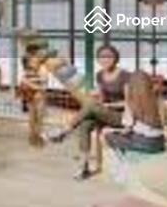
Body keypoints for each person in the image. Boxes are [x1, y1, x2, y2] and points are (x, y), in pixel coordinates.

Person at [45, 44, 130, 180]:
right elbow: (101, 99)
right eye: (102, 57)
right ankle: (83, 167)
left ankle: (65, 131)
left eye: (109, 57)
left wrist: (107, 105)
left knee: (90, 105)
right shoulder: (100, 75)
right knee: (84, 125)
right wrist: (97, 96)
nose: (105, 60)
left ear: (116, 58)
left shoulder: (125, 76)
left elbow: (129, 103)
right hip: (104, 113)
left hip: (121, 116)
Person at [104, 70, 166, 155]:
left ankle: (124, 158)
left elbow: (127, 129)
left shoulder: (131, 101)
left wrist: (113, 130)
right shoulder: (157, 98)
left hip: (144, 142)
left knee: (109, 136)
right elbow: (163, 122)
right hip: (159, 142)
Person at [19, 43, 48, 148]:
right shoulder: (34, 65)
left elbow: (26, 80)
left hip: (33, 92)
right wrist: (36, 86)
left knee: (35, 116)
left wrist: (30, 84)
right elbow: (42, 82)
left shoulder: (32, 65)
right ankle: (35, 137)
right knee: (36, 116)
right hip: (34, 93)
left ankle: (34, 137)